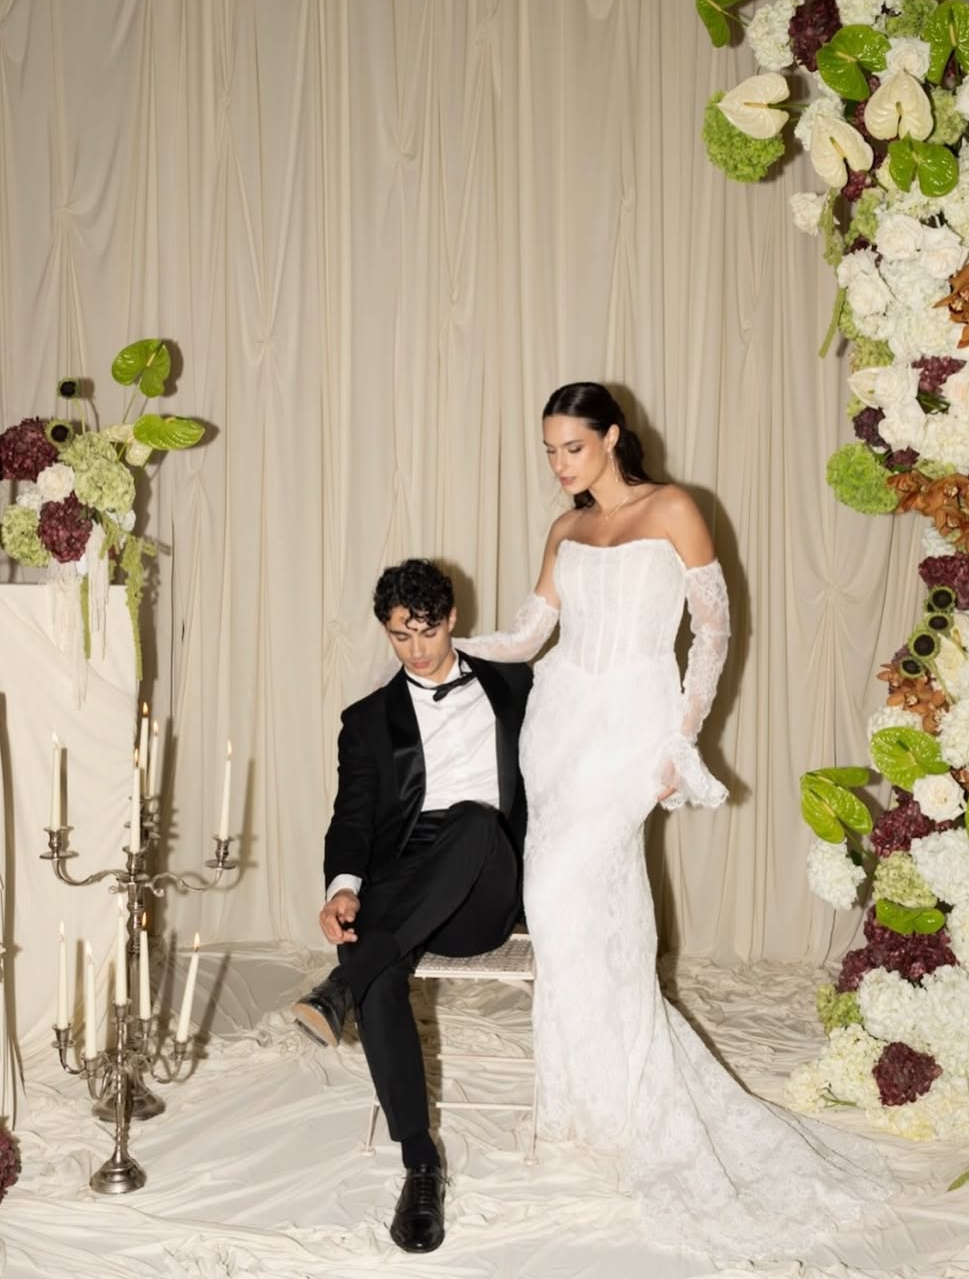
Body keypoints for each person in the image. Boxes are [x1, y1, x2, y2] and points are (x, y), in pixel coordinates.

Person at [461, 382, 893, 1263]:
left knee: (561, 892)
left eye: (571, 448)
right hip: (559, 726)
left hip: (633, 726)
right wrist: (444, 642)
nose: (559, 466)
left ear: (613, 436)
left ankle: (634, 1101)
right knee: (570, 917)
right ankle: (587, 1104)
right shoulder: (566, 531)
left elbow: (716, 631)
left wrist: (682, 739)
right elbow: (524, 637)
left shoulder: (675, 509)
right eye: (548, 451)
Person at [292, 559, 531, 1255]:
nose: (417, 649)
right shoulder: (366, 722)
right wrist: (342, 886)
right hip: (402, 884)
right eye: (400, 636)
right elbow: (354, 821)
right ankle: (420, 1165)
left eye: (426, 631)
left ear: (452, 618)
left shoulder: (514, 685)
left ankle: (343, 984)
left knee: (473, 822)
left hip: (482, 886)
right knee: (372, 945)